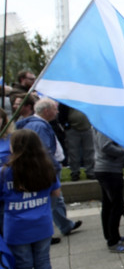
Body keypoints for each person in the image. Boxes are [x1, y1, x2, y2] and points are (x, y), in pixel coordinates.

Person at [0, 129, 63, 269]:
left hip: (16, 226)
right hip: (42, 223)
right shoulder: (46, 167)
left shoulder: (5, 171)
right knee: (43, 262)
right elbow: (56, 193)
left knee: (23, 266)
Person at [16, 98, 81, 238]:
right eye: (55, 109)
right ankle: (43, 233)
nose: (57, 112)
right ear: (46, 111)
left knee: (56, 199)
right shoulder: (40, 126)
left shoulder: (38, 124)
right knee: (51, 200)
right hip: (46, 169)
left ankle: (65, 225)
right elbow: (44, 151)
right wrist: (54, 166)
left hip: (46, 168)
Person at [93, 128, 124, 253]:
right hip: (109, 170)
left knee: (108, 204)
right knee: (117, 205)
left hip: (106, 169)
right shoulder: (104, 126)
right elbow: (106, 147)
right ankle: (113, 241)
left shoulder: (100, 124)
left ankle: (111, 236)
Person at [59, 104, 95, 181]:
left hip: (87, 127)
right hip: (72, 128)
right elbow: (61, 114)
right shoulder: (67, 99)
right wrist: (66, 126)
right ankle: (75, 172)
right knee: (73, 152)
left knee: (90, 150)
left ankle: (90, 171)